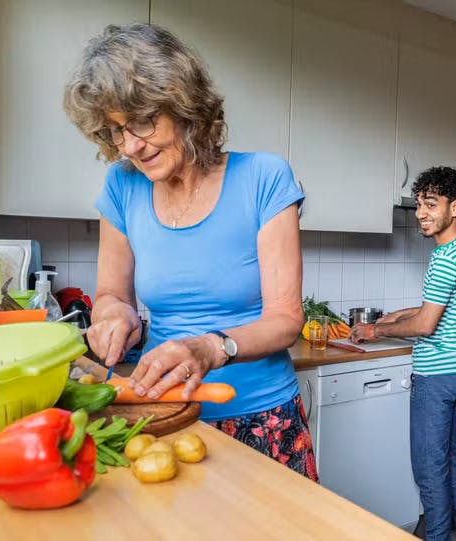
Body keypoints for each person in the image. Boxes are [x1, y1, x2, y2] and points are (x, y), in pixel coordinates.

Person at [63, 23, 316, 480]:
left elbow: (286, 320)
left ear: (183, 105)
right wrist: (114, 316)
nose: (132, 145)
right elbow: (109, 294)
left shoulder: (264, 178)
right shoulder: (122, 187)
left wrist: (211, 348)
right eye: (117, 130)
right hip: (162, 414)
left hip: (261, 417)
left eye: (142, 120)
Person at [349, 166, 456, 541]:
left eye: (431, 203)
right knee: (450, 459)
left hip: (437, 377)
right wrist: (399, 315)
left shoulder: (444, 258)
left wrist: (376, 329)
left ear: (454, 207)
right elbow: (444, 307)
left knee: (429, 471)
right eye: (418, 205)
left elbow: (427, 325)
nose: (422, 213)